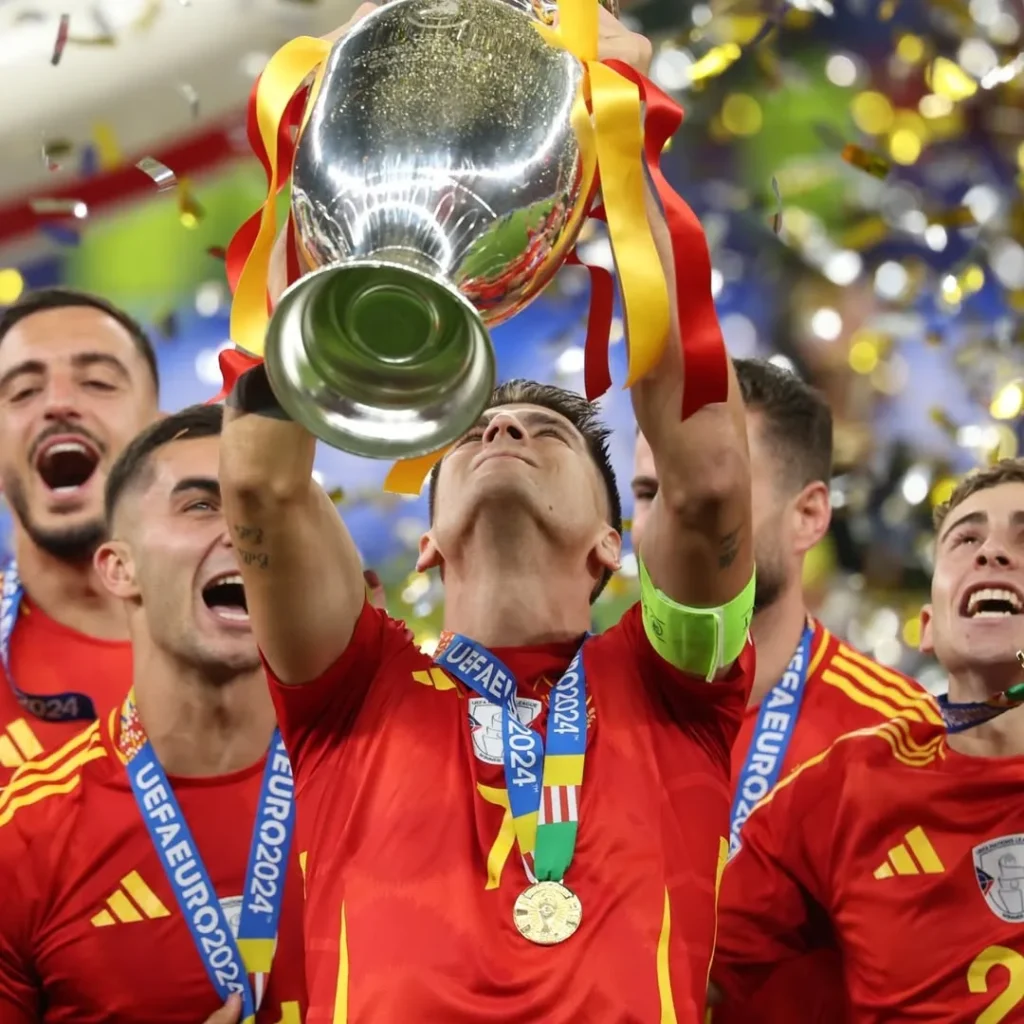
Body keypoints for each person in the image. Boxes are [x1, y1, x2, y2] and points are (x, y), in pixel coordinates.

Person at [220, 6, 756, 1022]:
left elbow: (710, 484)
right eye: (473, 434)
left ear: (613, 543)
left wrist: (625, 149)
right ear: (426, 543)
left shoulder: (677, 683)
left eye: (546, 434)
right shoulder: (353, 686)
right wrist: (314, 160)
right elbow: (260, 487)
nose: (502, 430)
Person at [633, 357, 940, 1023]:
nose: (676, 517)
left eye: (715, 490)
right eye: (650, 492)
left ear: (809, 516)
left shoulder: (899, 740)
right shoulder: (571, 713)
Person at [0, 405, 306, 1024]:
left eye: (260, 506)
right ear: (120, 568)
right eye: (202, 505)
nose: (243, 531)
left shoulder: (381, 786)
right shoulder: (22, 836)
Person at [710, 458, 1024, 1023]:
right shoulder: (844, 787)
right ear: (928, 627)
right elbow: (680, 972)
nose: (992, 552)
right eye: (966, 539)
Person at [0, 288, 160, 783]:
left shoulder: (263, 641)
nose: (59, 404)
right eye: (23, 391)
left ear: (158, 433)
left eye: (98, 382)